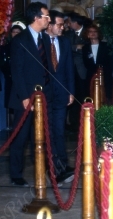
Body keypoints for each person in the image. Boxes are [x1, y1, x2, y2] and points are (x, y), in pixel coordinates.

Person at [8, 2, 53, 187]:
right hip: (24, 99)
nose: (48, 20)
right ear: (36, 18)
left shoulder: (44, 39)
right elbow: (16, 72)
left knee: (40, 137)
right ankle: (16, 174)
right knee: (21, 137)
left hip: (43, 98)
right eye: (46, 16)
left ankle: (41, 170)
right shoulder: (20, 40)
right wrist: (25, 97)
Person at [45, 10, 75, 183]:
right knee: (48, 132)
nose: (62, 28)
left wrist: (71, 91)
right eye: (59, 25)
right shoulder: (40, 42)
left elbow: (69, 68)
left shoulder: (64, 42)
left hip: (62, 93)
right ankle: (53, 168)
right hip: (46, 94)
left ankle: (62, 164)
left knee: (59, 130)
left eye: (63, 24)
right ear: (49, 25)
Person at [1, 21, 26, 130]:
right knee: (11, 104)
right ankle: (12, 125)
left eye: (18, 32)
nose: (15, 34)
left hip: (22, 79)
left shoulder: (25, 46)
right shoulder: (6, 47)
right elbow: (3, 63)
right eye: (13, 32)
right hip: (10, 79)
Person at [65, 13, 87, 130]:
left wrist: (80, 48)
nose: (68, 24)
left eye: (70, 22)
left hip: (82, 69)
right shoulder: (67, 34)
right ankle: (72, 123)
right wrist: (76, 48)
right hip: (70, 69)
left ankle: (83, 122)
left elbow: (86, 48)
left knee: (82, 95)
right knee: (71, 94)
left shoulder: (87, 33)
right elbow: (67, 48)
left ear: (76, 22)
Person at [82, 24, 113, 104]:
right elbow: (86, 63)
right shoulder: (85, 48)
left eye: (95, 31)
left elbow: (111, 62)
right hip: (91, 76)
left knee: (106, 98)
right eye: (90, 32)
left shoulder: (106, 46)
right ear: (87, 34)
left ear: (98, 33)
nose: (93, 33)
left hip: (105, 76)